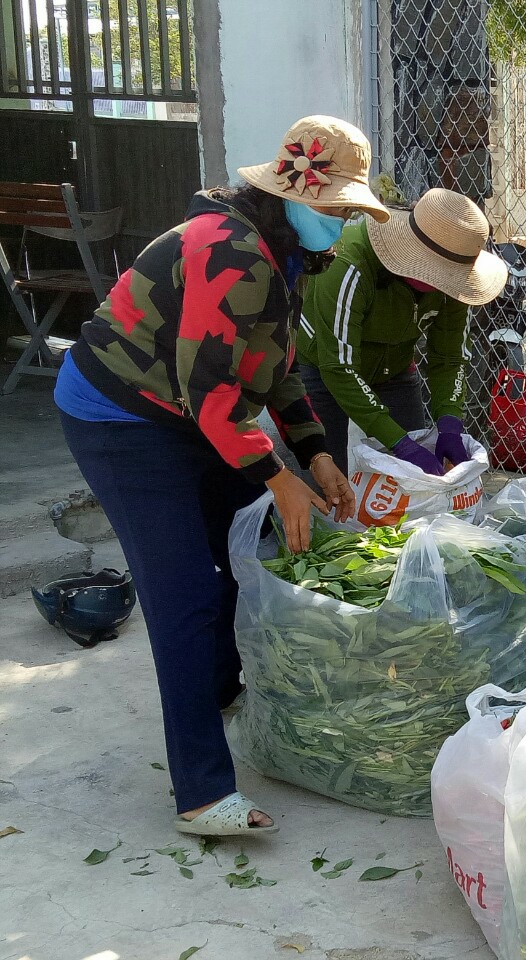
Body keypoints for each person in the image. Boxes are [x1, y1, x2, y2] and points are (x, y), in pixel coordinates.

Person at [55, 115, 389, 837]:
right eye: (333, 209)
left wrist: (316, 453)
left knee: (261, 545)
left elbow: (274, 371)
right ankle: (202, 793)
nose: (341, 222)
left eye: (347, 211)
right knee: (185, 594)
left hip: (189, 410)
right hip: (119, 416)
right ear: (293, 195)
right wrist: (278, 474)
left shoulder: (289, 253)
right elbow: (212, 395)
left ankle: (220, 688)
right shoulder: (230, 252)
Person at [298, 188, 508, 476]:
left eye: (447, 274)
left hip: (394, 368)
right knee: (327, 483)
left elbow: (449, 357)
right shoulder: (348, 263)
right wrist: (400, 443)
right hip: (322, 366)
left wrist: (449, 421)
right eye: (432, 271)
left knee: (417, 484)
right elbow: (338, 366)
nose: (441, 282)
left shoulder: (454, 281)